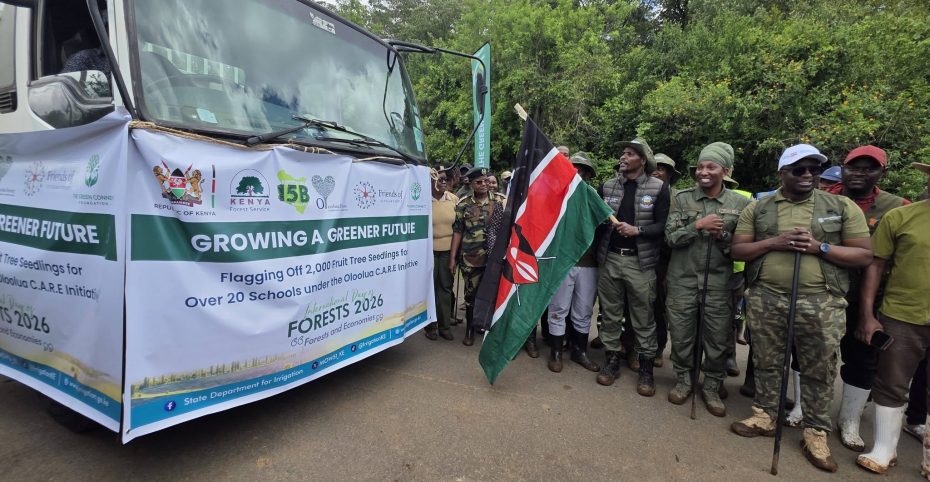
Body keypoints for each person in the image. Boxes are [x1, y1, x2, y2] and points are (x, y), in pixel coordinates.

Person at [729, 144, 872, 472]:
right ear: (782, 172)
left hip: (822, 301)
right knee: (766, 360)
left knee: (819, 368)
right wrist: (774, 242)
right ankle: (765, 414)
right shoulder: (761, 208)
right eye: (799, 169)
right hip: (767, 297)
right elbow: (738, 250)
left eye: (814, 169)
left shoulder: (841, 206)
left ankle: (815, 431)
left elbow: (864, 255)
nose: (808, 175)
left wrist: (819, 247)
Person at [821, 145, 912, 451]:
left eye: (868, 168)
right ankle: (804, 410)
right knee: (811, 351)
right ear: (842, 168)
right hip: (823, 291)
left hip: (869, 299)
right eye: (853, 167)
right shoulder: (822, 199)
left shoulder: (897, 207)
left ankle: (849, 420)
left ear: (881, 173)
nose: (860, 173)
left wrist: (872, 312)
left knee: (862, 359)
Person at [854, 162, 930, 476]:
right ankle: (885, 448)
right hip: (903, 314)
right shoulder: (902, 216)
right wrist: (867, 315)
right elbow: (875, 265)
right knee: (891, 382)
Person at [664, 142, 751, 417]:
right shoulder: (681, 198)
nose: (703, 172)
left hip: (719, 284)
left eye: (710, 167)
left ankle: (712, 386)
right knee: (681, 335)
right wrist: (697, 226)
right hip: (683, 280)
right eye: (700, 167)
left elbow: (740, 247)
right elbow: (670, 238)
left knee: (716, 338)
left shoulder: (741, 204)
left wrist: (722, 235)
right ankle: (684, 380)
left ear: (724, 171)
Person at [594, 138, 670, 397]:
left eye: (629, 153)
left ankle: (646, 367)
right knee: (611, 314)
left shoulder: (658, 188)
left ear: (642, 160)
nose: (623, 157)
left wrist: (638, 230)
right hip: (611, 259)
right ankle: (612, 360)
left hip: (641, 263)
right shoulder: (607, 186)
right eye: (622, 152)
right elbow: (595, 220)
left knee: (643, 317)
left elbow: (664, 226)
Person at [545, 152, 601, 373]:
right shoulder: (556, 196)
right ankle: (556, 353)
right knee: (558, 309)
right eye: (573, 168)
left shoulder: (594, 196)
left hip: (589, 263)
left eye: (582, 169)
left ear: (588, 174)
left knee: (584, 310)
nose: (577, 172)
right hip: (562, 262)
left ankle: (580, 351)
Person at [450, 167, 506, 346]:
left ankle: (490, 329)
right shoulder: (463, 203)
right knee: (471, 295)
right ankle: (470, 329)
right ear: (472, 184)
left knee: (494, 294)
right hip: (470, 258)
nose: (483, 185)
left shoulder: (500, 201)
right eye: (479, 182)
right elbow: (458, 231)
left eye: (485, 181)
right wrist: (452, 258)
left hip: (494, 259)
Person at [426, 164, 459, 341]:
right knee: (429, 288)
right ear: (430, 181)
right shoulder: (422, 200)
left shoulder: (454, 199)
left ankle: (444, 326)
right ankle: (430, 326)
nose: (443, 181)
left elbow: (459, 229)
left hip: (447, 251)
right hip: (428, 252)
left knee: (445, 288)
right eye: (439, 178)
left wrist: (454, 257)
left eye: (445, 178)